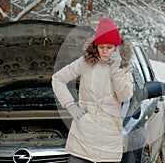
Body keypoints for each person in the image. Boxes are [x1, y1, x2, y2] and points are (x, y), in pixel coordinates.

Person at [52, 18, 134, 163]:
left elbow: (125, 96)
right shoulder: (85, 62)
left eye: (109, 47)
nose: (104, 51)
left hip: (110, 138)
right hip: (83, 136)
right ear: (95, 46)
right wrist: (70, 105)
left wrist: (116, 69)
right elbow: (58, 79)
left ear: (116, 47)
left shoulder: (124, 67)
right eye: (101, 46)